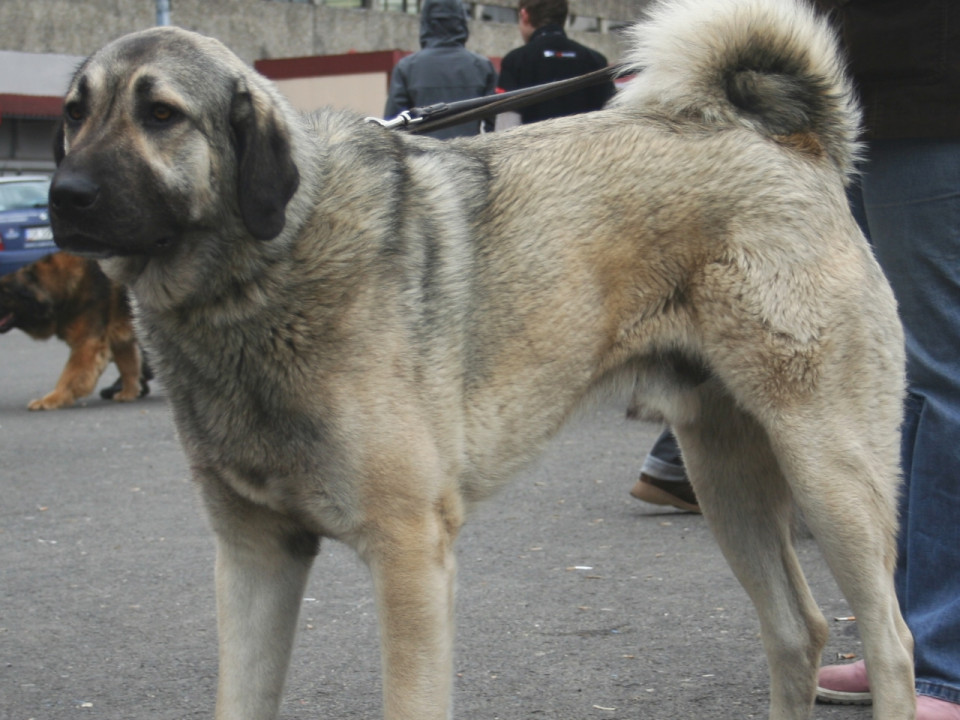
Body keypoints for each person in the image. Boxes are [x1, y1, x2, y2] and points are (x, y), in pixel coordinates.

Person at [809, 3, 960, 717]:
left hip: (934, 94)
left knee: (944, 380)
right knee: (897, 386)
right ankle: (900, 641)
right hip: (855, 100)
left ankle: (943, 660)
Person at [384, 0, 497, 140]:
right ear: (462, 23)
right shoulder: (483, 67)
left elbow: (393, 126)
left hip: (423, 152)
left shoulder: (406, 68)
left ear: (425, 23)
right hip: (469, 151)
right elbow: (494, 125)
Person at [495, 0, 615, 128]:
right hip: (586, 140)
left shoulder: (515, 60)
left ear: (524, 15)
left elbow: (506, 126)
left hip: (535, 140)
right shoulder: (596, 61)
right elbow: (612, 118)